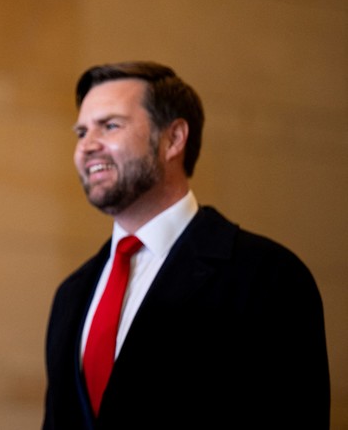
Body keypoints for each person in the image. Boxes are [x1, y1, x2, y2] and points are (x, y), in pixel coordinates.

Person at [42, 61, 329, 429]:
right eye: (81, 132)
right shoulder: (72, 293)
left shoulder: (268, 277)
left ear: (174, 139)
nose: (87, 146)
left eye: (110, 125)